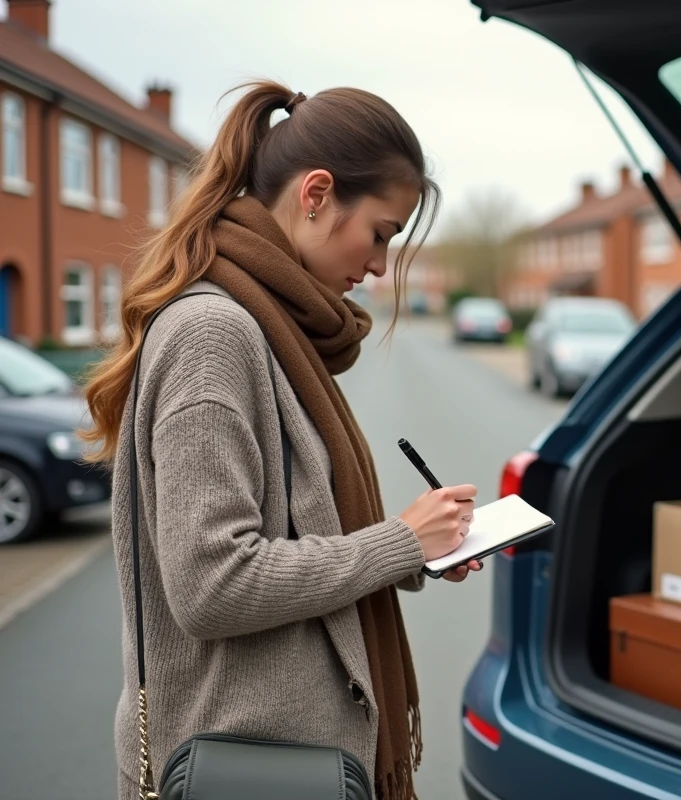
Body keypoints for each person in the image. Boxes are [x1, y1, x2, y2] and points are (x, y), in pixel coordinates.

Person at [80, 80, 480, 800]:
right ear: (318, 193)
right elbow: (212, 584)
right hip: (240, 764)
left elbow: (299, 527)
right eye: (383, 232)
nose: (382, 265)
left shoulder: (268, 328)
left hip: (285, 759)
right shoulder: (215, 334)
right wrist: (396, 543)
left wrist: (417, 549)